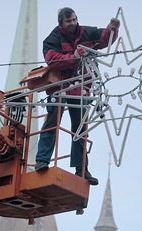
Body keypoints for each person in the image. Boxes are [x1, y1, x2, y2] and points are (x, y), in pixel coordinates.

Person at [34, 7, 120, 186]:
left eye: (74, 19)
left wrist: (112, 28)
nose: (73, 23)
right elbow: (52, 59)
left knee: (81, 129)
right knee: (51, 123)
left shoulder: (85, 31)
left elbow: (104, 39)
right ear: (61, 23)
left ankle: (82, 170)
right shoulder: (53, 38)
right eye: (69, 21)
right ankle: (42, 160)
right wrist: (73, 56)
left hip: (79, 89)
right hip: (59, 87)